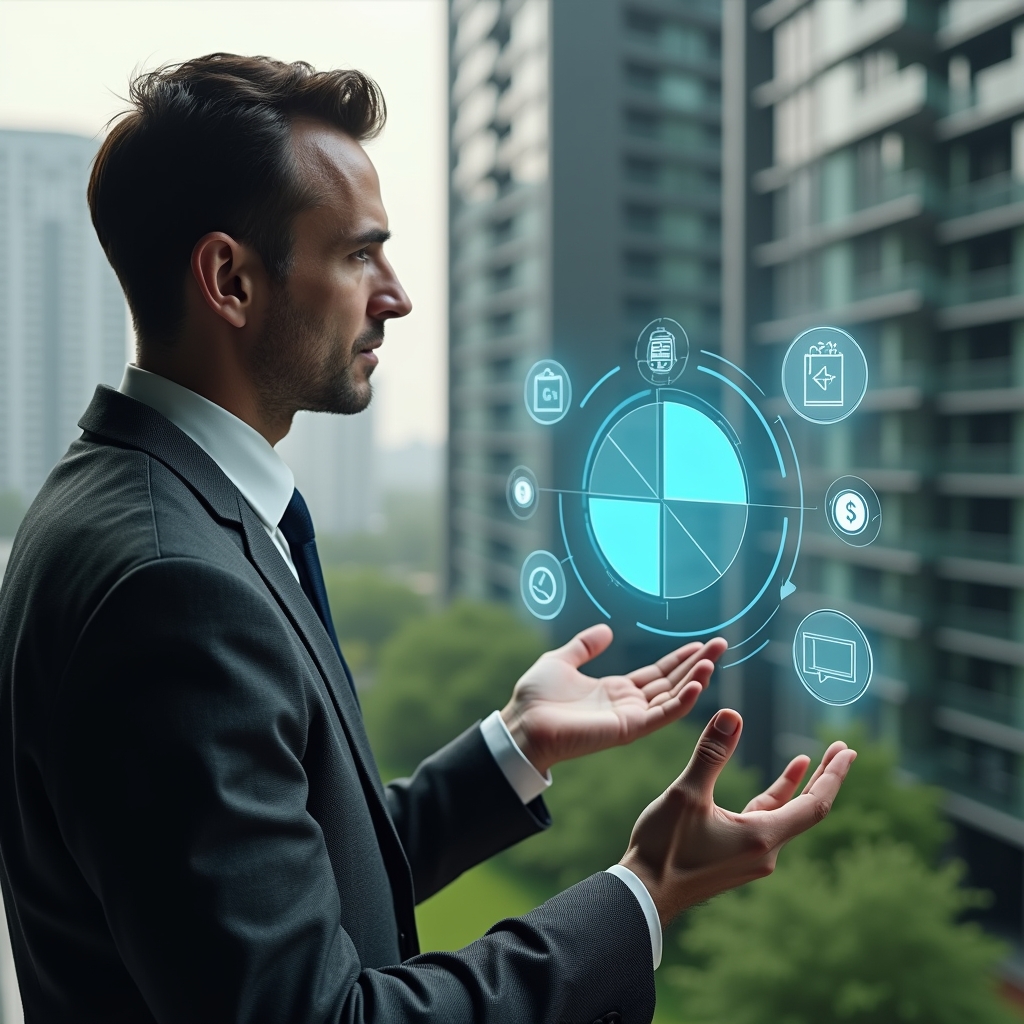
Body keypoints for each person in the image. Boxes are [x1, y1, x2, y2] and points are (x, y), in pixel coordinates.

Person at [0, 55, 856, 1023]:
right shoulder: (170, 586)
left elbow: (284, 880)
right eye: (357, 255)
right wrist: (645, 892)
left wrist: (514, 745)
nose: (396, 295)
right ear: (230, 279)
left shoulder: (130, 500)